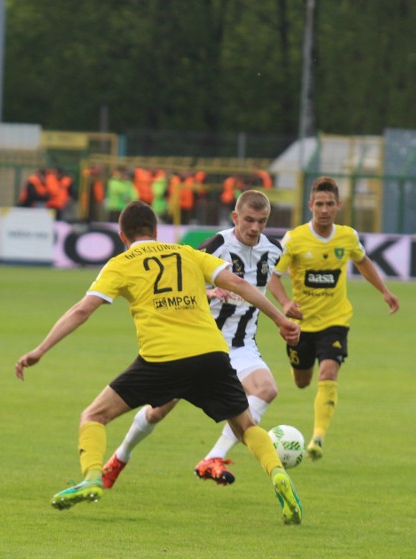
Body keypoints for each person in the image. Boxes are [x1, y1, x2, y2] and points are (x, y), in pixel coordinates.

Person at [15, 200, 304, 524]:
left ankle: (93, 476)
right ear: (156, 231)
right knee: (248, 426)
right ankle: (277, 474)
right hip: (211, 355)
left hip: (161, 360)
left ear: (123, 236)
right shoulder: (187, 253)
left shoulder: (120, 263)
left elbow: (81, 310)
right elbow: (239, 284)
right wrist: (280, 319)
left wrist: (40, 349)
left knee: (94, 415)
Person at [101, 190, 284, 488]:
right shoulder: (215, 246)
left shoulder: (274, 249)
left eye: (262, 221)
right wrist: (209, 292)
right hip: (198, 343)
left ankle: (213, 457)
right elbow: (178, 282)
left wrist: (285, 306)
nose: (255, 228)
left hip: (240, 345)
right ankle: (121, 456)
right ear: (236, 217)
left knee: (266, 389)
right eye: (249, 220)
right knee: (158, 410)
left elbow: (273, 278)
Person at [268, 176, 399, 462]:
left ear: (338, 206)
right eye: (319, 204)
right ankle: (300, 368)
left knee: (328, 372)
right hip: (301, 324)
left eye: (329, 204)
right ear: (310, 205)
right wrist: (286, 303)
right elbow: (273, 277)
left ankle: (317, 438)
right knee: (303, 382)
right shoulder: (294, 239)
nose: (324, 209)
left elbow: (363, 262)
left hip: (335, 320)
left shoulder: (348, 237)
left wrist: (384, 291)